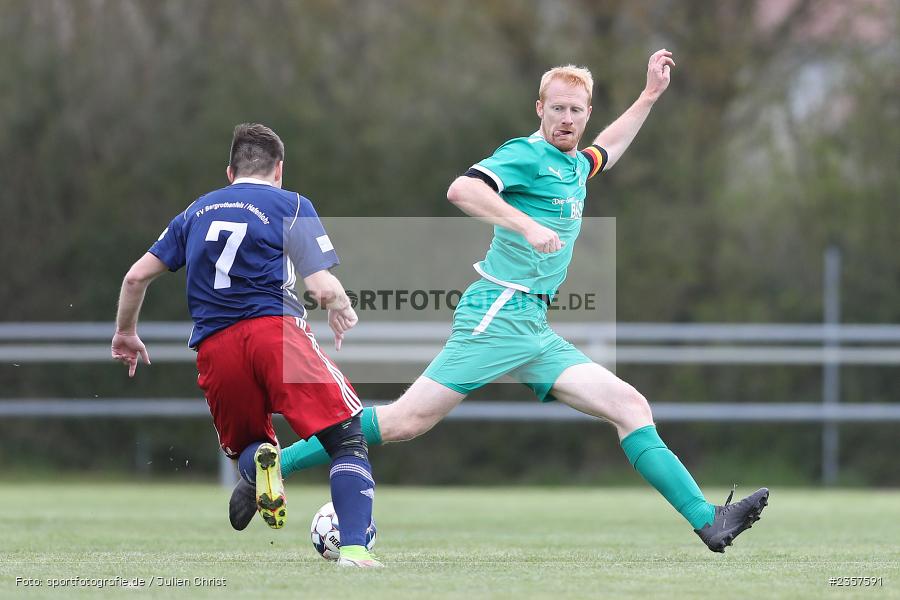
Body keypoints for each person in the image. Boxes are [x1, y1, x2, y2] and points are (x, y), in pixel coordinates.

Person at [235, 51, 769, 553]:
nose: (566, 117)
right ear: (539, 109)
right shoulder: (525, 154)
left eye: (576, 110)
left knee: (630, 407)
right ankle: (272, 466)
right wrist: (525, 223)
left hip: (532, 324)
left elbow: (610, 146)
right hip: (497, 312)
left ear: (586, 114)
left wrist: (650, 95)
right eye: (556, 107)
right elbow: (462, 190)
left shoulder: (574, 166)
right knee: (404, 422)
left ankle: (709, 522)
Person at [111, 123, 381, 567]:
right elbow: (321, 286)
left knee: (250, 445)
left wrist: (125, 331)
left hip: (215, 346)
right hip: (275, 333)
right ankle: (354, 549)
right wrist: (341, 306)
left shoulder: (195, 212)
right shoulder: (291, 204)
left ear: (230, 173)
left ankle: (261, 465)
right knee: (347, 436)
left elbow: (135, 277)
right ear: (279, 170)